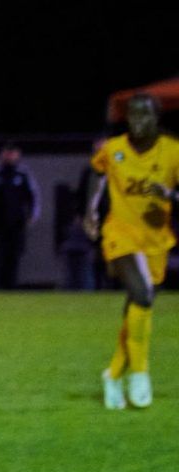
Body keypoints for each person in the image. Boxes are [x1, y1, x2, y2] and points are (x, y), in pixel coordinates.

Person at [86, 94, 179, 410]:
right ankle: (140, 373)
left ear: (157, 118)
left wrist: (170, 195)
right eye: (132, 116)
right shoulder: (114, 150)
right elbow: (96, 174)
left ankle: (113, 375)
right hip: (120, 234)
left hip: (156, 239)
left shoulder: (173, 151)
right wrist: (90, 212)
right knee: (142, 294)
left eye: (145, 116)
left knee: (138, 308)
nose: (138, 122)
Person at [0, 142, 40, 290]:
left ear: (18, 154)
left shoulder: (23, 174)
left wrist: (32, 215)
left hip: (16, 222)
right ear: (2, 154)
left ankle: (10, 288)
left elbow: (33, 196)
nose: (9, 155)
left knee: (13, 256)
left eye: (12, 152)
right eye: (7, 152)